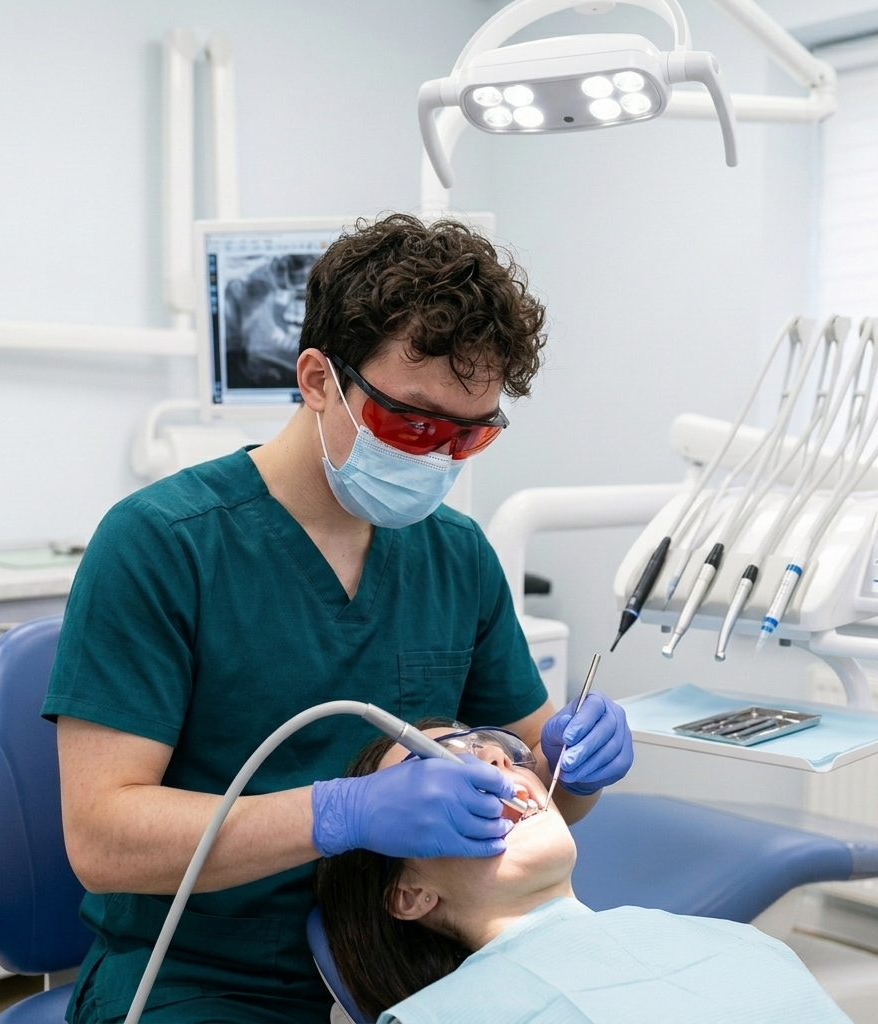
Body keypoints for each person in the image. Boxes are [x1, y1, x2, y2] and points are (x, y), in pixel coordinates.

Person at [41, 214, 635, 1023]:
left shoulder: (454, 554)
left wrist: (577, 771)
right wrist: (337, 815)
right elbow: (102, 840)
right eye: (414, 422)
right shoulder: (161, 546)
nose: (436, 459)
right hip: (205, 975)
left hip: (427, 966)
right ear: (318, 379)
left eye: (469, 437)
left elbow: (545, 788)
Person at [316, 721, 851, 1024]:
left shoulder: (743, 944)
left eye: (500, 751)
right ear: (409, 895)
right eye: (442, 772)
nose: (498, 764)